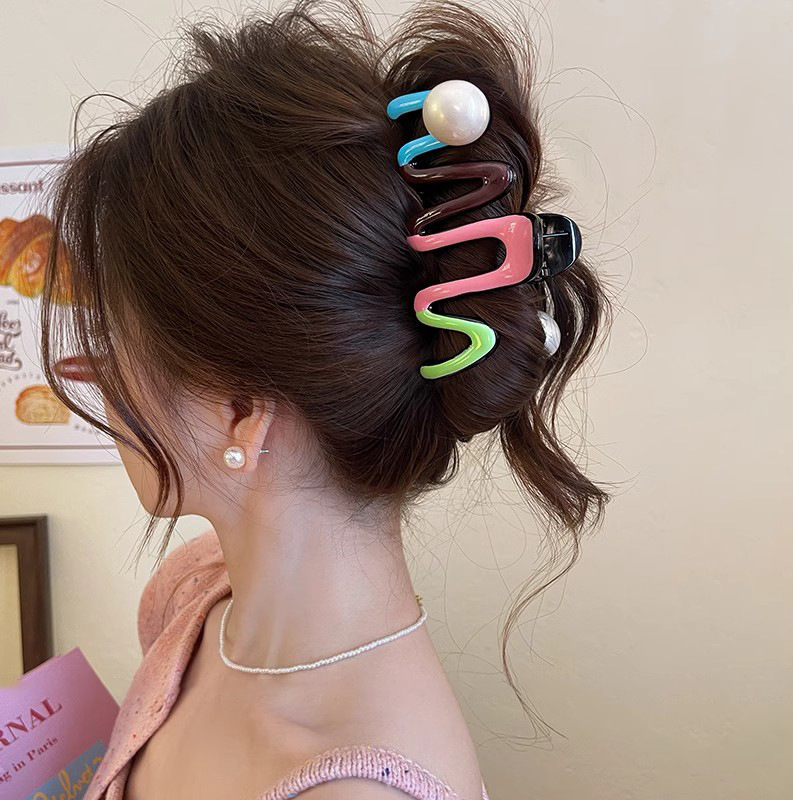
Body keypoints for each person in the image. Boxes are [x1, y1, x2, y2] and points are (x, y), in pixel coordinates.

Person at [41, 0, 611, 797]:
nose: (98, 375)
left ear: (240, 411)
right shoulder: (193, 593)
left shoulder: (355, 788)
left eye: (118, 339)